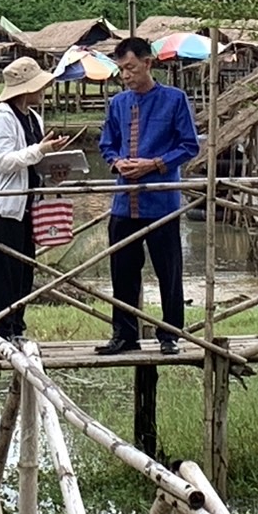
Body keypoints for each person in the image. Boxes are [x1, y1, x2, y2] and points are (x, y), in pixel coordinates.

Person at [96, 37, 200, 356]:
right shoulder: (117, 104)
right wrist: (117, 161)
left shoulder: (174, 99)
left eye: (130, 68)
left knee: (168, 270)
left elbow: (188, 146)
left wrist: (154, 164)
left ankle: (169, 334)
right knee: (123, 271)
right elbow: (107, 144)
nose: (126, 76)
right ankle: (125, 334)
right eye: (121, 70)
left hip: (161, 200)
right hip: (124, 200)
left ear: (147, 63)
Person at [0, 57, 68, 343]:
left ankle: (16, 327)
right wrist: (39, 150)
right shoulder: (0, 118)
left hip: (27, 204)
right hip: (1, 206)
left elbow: (33, 162)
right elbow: (3, 161)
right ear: (26, 88)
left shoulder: (33, 118)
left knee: (23, 270)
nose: (43, 90)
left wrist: (54, 168)